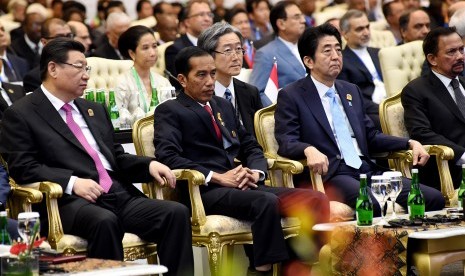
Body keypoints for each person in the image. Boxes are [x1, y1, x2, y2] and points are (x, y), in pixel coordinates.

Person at [0, 38, 194, 276]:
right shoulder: (21, 113)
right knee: (104, 221)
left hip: (117, 193)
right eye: (79, 67)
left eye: (87, 68)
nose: (86, 75)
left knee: (175, 213)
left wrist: (149, 164)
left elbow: (116, 157)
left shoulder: (93, 108)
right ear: (53, 69)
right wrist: (71, 182)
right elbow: (23, 167)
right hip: (68, 202)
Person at [154, 46, 329, 275]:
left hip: (245, 183)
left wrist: (257, 173)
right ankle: (260, 270)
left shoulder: (223, 105)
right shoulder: (170, 110)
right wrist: (218, 177)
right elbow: (168, 156)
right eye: (201, 75)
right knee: (265, 202)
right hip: (206, 190)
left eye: (213, 73)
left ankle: (297, 265)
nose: (209, 81)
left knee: (316, 200)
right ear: (182, 79)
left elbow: (250, 146)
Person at [274, 23, 445, 216]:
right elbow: (286, 141)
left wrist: (409, 142)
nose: (336, 56)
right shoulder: (292, 95)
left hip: (366, 169)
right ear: (309, 61)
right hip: (332, 174)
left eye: (338, 49)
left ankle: (413, 245)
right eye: (327, 51)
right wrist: (308, 149)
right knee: (370, 204)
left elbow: (370, 135)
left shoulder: (350, 90)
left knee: (431, 197)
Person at [402, 26, 465, 190]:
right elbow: (421, 133)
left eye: (462, 49)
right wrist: (462, 155)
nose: (460, 56)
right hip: (450, 167)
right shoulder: (416, 90)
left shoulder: (463, 83)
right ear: (432, 59)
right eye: (451, 52)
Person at [198, 22, 262, 135]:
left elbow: (260, 136)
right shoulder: (200, 94)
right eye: (228, 50)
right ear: (209, 55)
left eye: (238, 49)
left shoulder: (250, 92)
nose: (236, 57)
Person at [249, 0, 306, 107]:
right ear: (281, 24)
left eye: (302, 16)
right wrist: (281, 112)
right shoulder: (266, 54)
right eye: (297, 17)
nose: (303, 20)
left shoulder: (309, 46)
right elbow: (257, 93)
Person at [116, 25, 172, 128]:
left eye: (154, 46)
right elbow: (117, 120)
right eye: (145, 48)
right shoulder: (122, 83)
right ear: (132, 53)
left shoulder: (163, 81)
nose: (152, 53)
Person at [338, 10, 384, 130]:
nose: (366, 32)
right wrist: (384, 109)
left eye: (367, 27)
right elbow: (351, 99)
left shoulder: (379, 53)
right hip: (371, 110)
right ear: (345, 34)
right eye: (359, 29)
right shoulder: (341, 61)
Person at [165, 0, 213, 90]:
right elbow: (179, 87)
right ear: (187, 22)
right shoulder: (175, 50)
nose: (207, 19)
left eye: (209, 14)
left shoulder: (215, 45)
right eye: (201, 15)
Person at [22, 18, 73, 93]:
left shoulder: (83, 66)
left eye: (69, 36)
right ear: (44, 42)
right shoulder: (34, 78)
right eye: (59, 37)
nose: (67, 41)